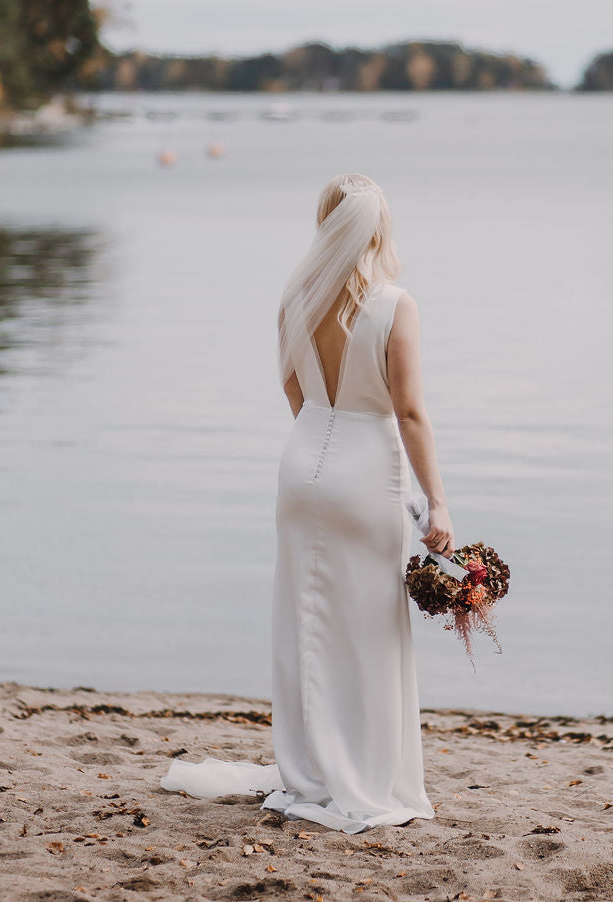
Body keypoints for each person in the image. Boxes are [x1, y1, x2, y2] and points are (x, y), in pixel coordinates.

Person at [161, 172, 451, 832]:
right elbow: (408, 411)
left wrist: (322, 430)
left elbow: (293, 393)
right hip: (367, 473)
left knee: (307, 622)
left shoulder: (294, 298)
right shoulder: (394, 305)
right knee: (371, 630)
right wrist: (438, 501)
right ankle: (367, 775)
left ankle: (311, 769)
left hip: (303, 461)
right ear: (378, 228)